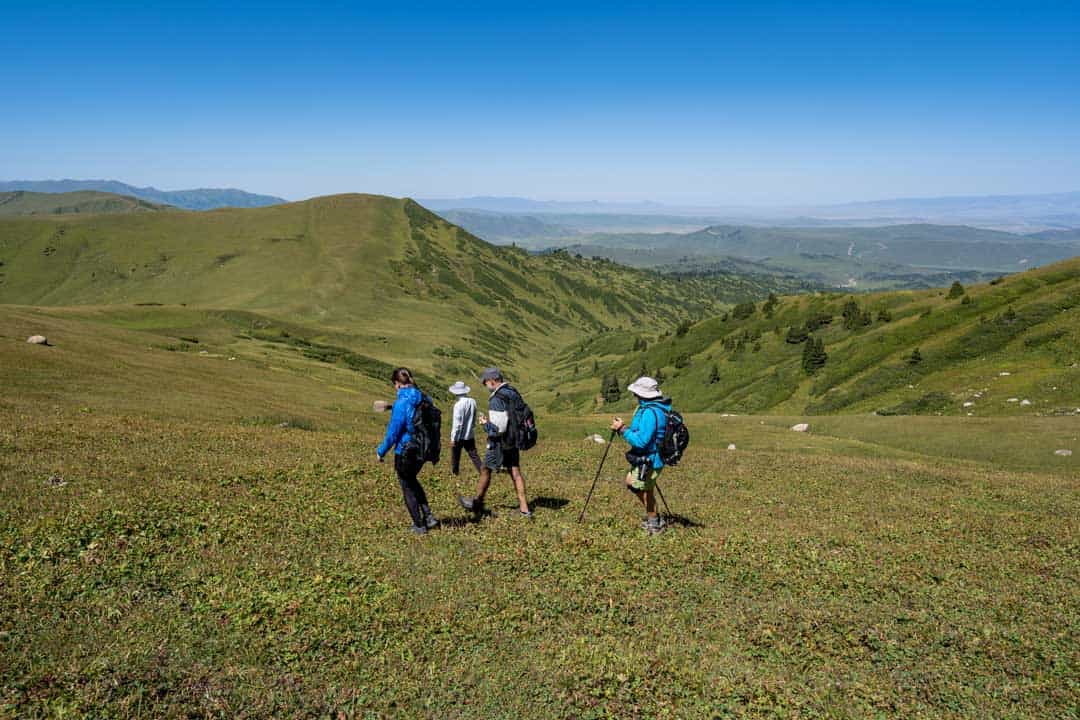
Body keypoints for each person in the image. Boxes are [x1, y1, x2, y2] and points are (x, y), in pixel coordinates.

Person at [458, 367, 532, 519]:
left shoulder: (496, 398)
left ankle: (476, 504)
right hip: (513, 439)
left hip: (499, 442)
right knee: (515, 472)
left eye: (485, 383)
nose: (486, 386)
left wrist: (485, 423)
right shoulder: (512, 392)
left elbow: (499, 428)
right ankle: (525, 509)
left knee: (485, 469)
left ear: (492, 381)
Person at [377, 367, 439, 534]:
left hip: (406, 449)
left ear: (397, 384)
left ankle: (419, 525)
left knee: (407, 486)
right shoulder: (424, 397)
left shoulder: (402, 403)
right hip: (424, 447)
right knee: (413, 481)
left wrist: (381, 451)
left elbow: (393, 432)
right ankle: (429, 517)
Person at [611, 376, 670, 534]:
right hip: (652, 458)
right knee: (644, 487)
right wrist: (624, 428)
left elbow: (642, 442)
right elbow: (643, 433)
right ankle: (654, 518)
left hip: (650, 459)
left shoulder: (650, 412)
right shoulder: (656, 408)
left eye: (636, 394)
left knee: (635, 485)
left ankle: (654, 523)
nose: (634, 396)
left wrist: (622, 429)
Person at [448, 380, 482, 476]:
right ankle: (482, 471)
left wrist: (453, 438)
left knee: (456, 455)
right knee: (474, 454)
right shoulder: (472, 401)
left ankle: (455, 472)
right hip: (470, 433)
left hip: (460, 436)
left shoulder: (458, 405)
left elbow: (457, 424)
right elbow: (474, 416)